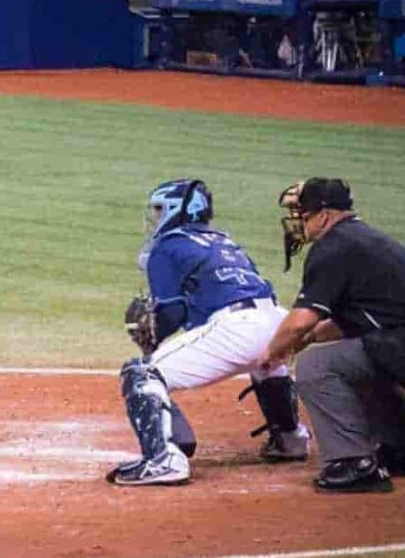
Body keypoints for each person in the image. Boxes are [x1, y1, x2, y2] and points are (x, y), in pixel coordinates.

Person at [109, 178, 311, 486]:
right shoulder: (223, 240)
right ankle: (290, 438)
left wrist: (152, 338)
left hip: (238, 328)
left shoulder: (168, 246)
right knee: (265, 363)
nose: (155, 217)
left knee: (142, 374)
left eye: (160, 209)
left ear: (179, 210)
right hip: (277, 320)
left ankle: (163, 460)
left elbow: (172, 311)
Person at [260, 177, 405, 493]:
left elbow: (299, 321)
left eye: (303, 214)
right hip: (395, 340)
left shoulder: (333, 247)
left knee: (317, 366)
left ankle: (353, 463)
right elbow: (362, 320)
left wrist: (273, 351)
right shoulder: (364, 239)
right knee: (359, 357)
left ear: (324, 215)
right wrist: (307, 338)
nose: (298, 221)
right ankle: (398, 447)